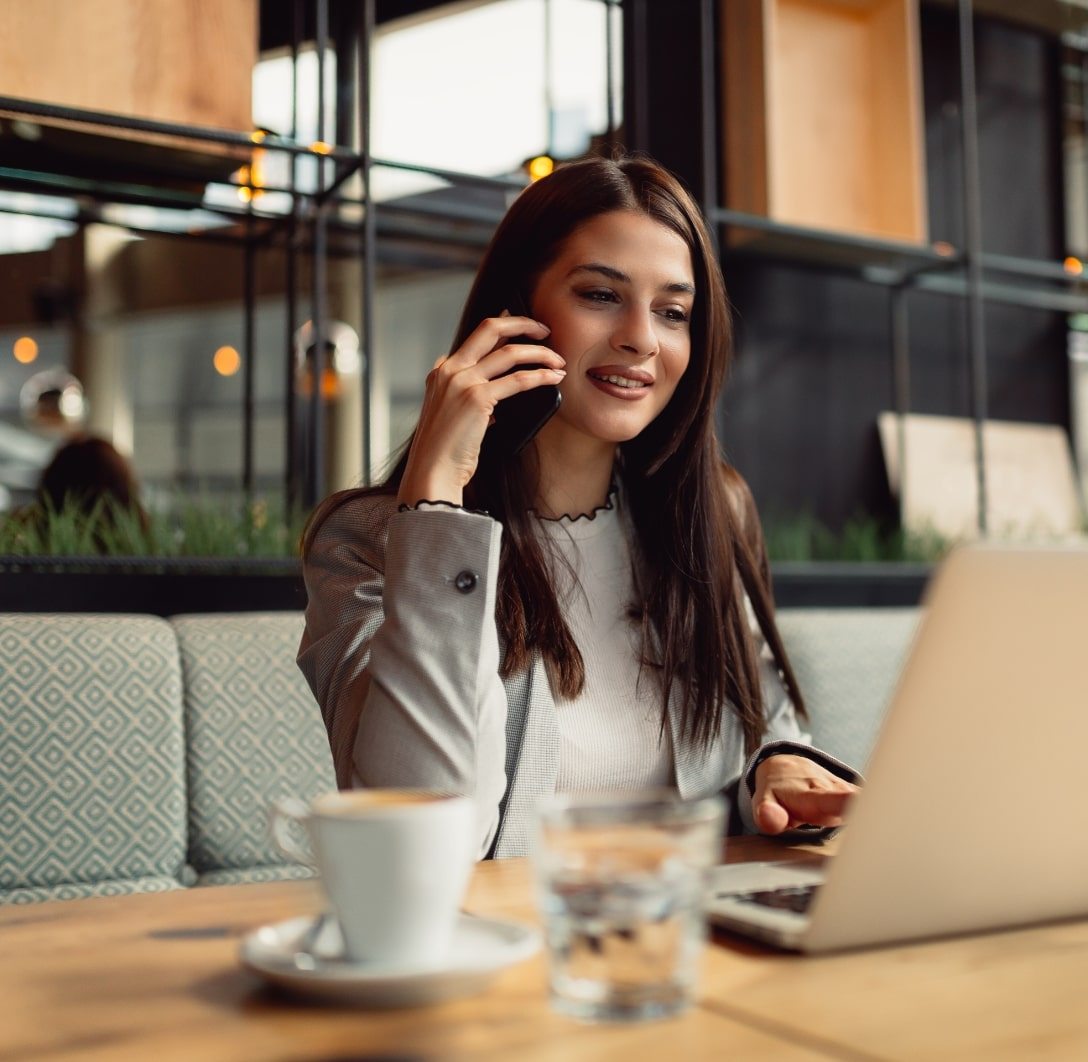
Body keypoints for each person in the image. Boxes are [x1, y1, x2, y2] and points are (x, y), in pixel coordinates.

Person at [297, 154, 859, 859]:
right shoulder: (366, 543)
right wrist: (435, 502)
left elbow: (766, 721)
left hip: (698, 928)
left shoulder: (714, 509)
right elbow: (422, 834)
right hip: (510, 941)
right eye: (600, 295)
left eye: (673, 312)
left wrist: (773, 770)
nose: (642, 338)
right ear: (516, 311)